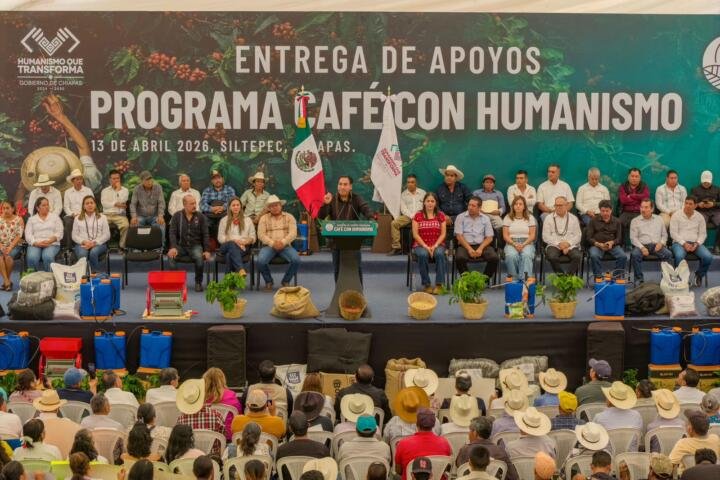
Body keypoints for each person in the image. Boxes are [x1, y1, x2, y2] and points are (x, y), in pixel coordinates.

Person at [318, 176, 374, 281]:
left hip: (354, 242)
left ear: (350, 186)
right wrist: (325, 204)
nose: (342, 187)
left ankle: (358, 290)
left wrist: (371, 218)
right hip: (336, 242)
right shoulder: (332, 199)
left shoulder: (357, 198)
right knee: (337, 269)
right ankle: (339, 291)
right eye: (340, 184)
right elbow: (321, 216)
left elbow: (366, 209)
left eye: (345, 184)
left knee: (357, 268)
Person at [167, 194, 211, 292]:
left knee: (199, 258)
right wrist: (173, 247)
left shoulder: (201, 217)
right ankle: (176, 283)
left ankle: (198, 282)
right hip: (180, 246)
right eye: (191, 204)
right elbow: (172, 233)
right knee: (171, 257)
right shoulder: (177, 216)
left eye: (195, 203)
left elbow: (206, 234)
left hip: (195, 246)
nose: (194, 205)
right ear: (184, 205)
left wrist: (207, 250)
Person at [256, 195, 300, 290]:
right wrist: (272, 243)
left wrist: (283, 242)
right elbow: (260, 234)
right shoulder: (263, 218)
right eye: (271, 206)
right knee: (260, 261)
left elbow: (293, 233)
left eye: (276, 205)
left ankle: (286, 280)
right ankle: (269, 281)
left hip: (285, 246)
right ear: (269, 208)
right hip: (268, 246)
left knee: (296, 260)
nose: (274, 208)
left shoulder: (289, 217)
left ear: (281, 205)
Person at [394, 408, 452, 477]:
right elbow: (445, 468)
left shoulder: (403, 444)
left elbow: (398, 470)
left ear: (416, 424)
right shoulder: (445, 444)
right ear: (433, 425)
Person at [670, 196, 713, 287]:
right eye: (686, 203)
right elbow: (673, 233)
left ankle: (699, 275)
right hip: (679, 243)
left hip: (695, 243)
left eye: (690, 204)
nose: (687, 206)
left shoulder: (700, 217)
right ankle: (682, 278)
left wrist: (697, 243)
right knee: (679, 256)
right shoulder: (676, 215)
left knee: (708, 257)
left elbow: (703, 234)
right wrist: (684, 243)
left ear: (695, 205)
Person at [176, 379, 225, 458]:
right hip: (212, 460)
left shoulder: (181, 420)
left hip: (189, 460)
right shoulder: (217, 416)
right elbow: (222, 440)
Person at [454, 196, 499, 278]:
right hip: (465, 245)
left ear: (479, 208)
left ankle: (484, 280)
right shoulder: (460, 217)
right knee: (459, 258)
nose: (470, 207)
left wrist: (480, 248)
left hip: (482, 245)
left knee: (494, 258)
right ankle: (467, 280)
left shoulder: (485, 218)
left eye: (473, 206)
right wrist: (469, 249)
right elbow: (459, 236)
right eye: (469, 205)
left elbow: (489, 237)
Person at [629, 199, 673, 283]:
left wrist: (661, 243)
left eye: (646, 207)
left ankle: (665, 279)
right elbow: (633, 238)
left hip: (656, 245)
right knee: (635, 254)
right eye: (642, 207)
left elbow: (664, 235)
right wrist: (642, 248)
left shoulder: (659, 219)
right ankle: (639, 280)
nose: (643, 210)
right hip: (641, 245)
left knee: (668, 254)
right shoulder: (635, 221)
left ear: (652, 209)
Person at [412, 192, 448, 294]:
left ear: (436, 203)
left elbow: (443, 234)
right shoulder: (417, 215)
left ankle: (439, 285)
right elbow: (415, 235)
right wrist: (426, 247)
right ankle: (426, 284)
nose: (430, 203)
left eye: (432, 201)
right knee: (423, 254)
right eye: (428, 201)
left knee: (439, 254)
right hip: (420, 245)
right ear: (424, 202)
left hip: (438, 244)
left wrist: (435, 245)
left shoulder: (441, 215)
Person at [594, 381, 643, 451]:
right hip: (631, 456)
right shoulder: (636, 416)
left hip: (608, 456)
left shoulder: (599, 417)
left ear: (609, 400)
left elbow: (595, 441)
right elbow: (639, 439)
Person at [33, 389, 80, 458]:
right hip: (66, 463)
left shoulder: (30, 425)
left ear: (40, 408)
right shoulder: (69, 423)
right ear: (58, 408)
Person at [542, 196, 582, 274]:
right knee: (552, 257)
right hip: (554, 244)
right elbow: (545, 236)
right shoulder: (548, 218)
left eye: (560, 205)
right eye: (556, 205)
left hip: (570, 245)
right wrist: (559, 244)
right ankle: (562, 277)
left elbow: (578, 236)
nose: (558, 207)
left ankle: (568, 277)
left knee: (577, 256)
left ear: (566, 206)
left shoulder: (573, 218)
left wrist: (568, 244)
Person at [586, 200, 626, 277]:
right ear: (599, 210)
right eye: (602, 211)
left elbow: (619, 238)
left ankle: (616, 277)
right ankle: (598, 278)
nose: (605, 213)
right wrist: (598, 244)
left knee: (623, 256)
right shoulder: (593, 221)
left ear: (611, 210)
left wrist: (612, 242)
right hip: (597, 245)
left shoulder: (617, 221)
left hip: (612, 245)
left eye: (607, 211)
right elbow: (589, 237)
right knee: (594, 256)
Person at [388, 174, 426, 256]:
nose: (410, 184)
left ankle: (423, 246)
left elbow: (425, 206)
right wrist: (412, 216)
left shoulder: (423, 193)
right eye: (408, 182)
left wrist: (418, 215)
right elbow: (403, 209)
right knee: (394, 223)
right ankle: (397, 248)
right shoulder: (403, 194)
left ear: (416, 183)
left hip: (421, 216)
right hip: (408, 216)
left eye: (412, 182)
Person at [218, 197, 256, 276]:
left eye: (238, 205)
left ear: (241, 207)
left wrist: (245, 242)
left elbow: (253, 237)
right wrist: (234, 241)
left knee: (229, 256)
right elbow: (220, 238)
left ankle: (229, 281)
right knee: (232, 244)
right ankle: (240, 269)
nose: (236, 207)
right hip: (226, 246)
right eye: (233, 205)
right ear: (229, 207)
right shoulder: (223, 220)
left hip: (243, 246)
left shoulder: (248, 220)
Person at [72, 195, 111, 272]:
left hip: (99, 244)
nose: (90, 205)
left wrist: (94, 243)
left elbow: (107, 235)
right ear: (83, 206)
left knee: (93, 252)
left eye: (91, 203)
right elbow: (74, 235)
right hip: (82, 244)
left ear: (95, 205)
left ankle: (94, 274)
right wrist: (84, 241)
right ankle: (83, 275)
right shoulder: (77, 218)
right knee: (82, 254)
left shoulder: (103, 217)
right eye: (87, 203)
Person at [24, 197, 63, 272]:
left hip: (52, 243)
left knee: (47, 256)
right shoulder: (31, 219)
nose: (47, 207)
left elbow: (60, 232)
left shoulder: (55, 217)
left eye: (47, 205)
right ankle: (33, 277)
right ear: (38, 208)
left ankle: (49, 277)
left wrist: (50, 241)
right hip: (35, 243)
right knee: (32, 257)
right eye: (44, 205)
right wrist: (35, 243)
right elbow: (28, 235)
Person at [502, 196, 536, 280]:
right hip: (511, 242)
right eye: (516, 204)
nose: (518, 206)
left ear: (524, 206)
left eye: (520, 204)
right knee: (511, 256)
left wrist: (523, 244)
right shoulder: (507, 217)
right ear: (513, 206)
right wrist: (514, 244)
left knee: (526, 255)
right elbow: (505, 235)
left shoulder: (530, 217)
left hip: (527, 242)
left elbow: (532, 235)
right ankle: (514, 279)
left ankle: (525, 280)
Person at [203, 367, 242, 441]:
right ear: (222, 380)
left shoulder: (201, 398)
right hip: (228, 438)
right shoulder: (232, 396)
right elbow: (238, 416)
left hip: (206, 438)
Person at [130, 170, 166, 247]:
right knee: (134, 224)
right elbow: (133, 204)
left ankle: (160, 247)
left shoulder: (158, 187)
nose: (149, 181)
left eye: (150, 179)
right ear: (141, 181)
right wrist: (134, 216)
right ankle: (136, 248)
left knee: (161, 224)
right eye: (146, 180)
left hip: (154, 216)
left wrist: (160, 215)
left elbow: (161, 202)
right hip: (141, 216)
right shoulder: (137, 189)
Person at [691, 169, 720, 254]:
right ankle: (700, 246)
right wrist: (698, 204)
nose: (706, 184)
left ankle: (717, 246)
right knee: (699, 223)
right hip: (702, 211)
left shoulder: (717, 189)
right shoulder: (695, 190)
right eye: (705, 182)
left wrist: (714, 204)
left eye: (708, 182)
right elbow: (691, 203)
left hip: (715, 211)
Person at [200, 169, 236, 239]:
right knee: (204, 224)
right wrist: (212, 209)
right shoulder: (207, 190)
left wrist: (223, 207)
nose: (217, 180)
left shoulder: (229, 189)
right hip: (210, 215)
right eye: (215, 179)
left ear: (222, 179)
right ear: (212, 181)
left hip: (225, 214)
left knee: (226, 223)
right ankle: (209, 243)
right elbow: (202, 204)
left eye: (219, 178)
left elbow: (232, 202)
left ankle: (224, 242)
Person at [100, 169, 130, 249]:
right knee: (98, 224)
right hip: (106, 215)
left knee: (126, 226)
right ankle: (102, 245)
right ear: (110, 180)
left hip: (119, 215)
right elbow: (104, 204)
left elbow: (123, 201)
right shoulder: (104, 191)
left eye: (118, 178)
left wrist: (118, 190)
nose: (116, 180)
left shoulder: (125, 190)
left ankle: (122, 246)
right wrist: (116, 204)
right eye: (114, 178)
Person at [0, 201, 23, 291]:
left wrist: (10, 247)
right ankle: (7, 281)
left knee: (8, 258)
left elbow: (19, 235)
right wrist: (1, 246)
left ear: (13, 209)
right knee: (0, 258)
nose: (5, 210)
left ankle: (6, 281)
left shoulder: (19, 219)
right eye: (3, 208)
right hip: (1, 245)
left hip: (14, 245)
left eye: (7, 208)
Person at [63, 168, 95, 233]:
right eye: (77, 179)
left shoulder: (88, 190)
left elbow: (93, 204)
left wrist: (85, 213)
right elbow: (66, 207)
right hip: (72, 216)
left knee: (90, 220)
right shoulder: (67, 192)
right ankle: (70, 240)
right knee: (68, 222)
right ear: (72, 181)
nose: (79, 181)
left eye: (81, 179)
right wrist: (72, 214)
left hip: (86, 214)